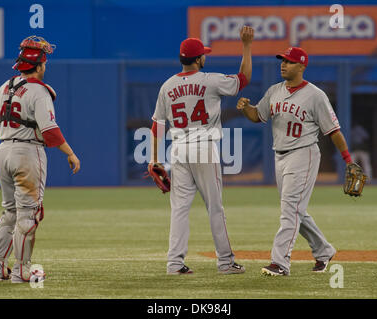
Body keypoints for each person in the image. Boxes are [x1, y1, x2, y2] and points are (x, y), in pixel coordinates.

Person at [236, 47, 355, 276]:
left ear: (302, 66)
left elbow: (334, 131)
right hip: (279, 155)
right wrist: (245, 109)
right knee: (295, 210)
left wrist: (348, 160)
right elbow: (257, 116)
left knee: (290, 209)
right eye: (282, 60)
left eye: (289, 61)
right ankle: (324, 250)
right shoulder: (274, 91)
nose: (283, 64)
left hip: (304, 154)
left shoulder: (315, 95)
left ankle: (280, 263)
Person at [149, 26, 254, 275]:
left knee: (179, 210)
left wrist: (154, 158)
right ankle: (226, 262)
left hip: (178, 151)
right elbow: (244, 78)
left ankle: (174, 264)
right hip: (204, 148)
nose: (205, 57)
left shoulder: (167, 86)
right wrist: (247, 46)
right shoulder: (210, 80)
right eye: (203, 54)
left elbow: (157, 125)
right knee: (215, 207)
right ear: (198, 59)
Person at [0, 36, 80, 283]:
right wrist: (69, 153)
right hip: (27, 153)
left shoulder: (6, 86)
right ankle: (21, 270)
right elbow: (50, 132)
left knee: (9, 213)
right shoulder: (38, 90)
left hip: (4, 149)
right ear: (38, 66)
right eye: (44, 63)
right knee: (27, 215)